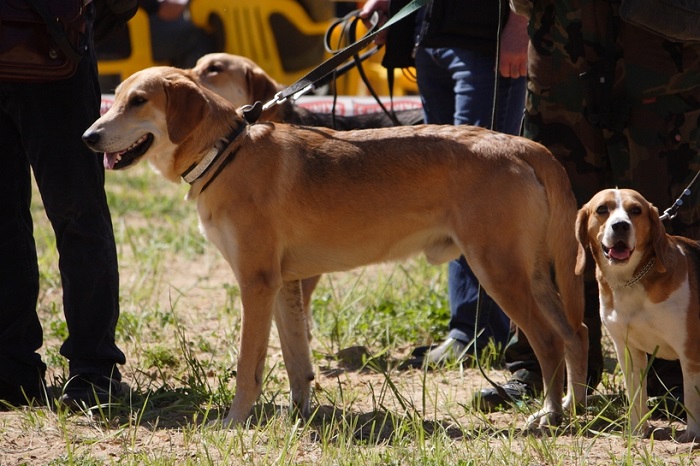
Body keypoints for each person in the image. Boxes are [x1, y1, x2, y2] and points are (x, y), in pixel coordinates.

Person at [475, 0, 700, 411]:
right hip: (561, 33)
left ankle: (674, 374)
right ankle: (544, 363)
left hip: (662, 39)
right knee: (551, 217)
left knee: (663, 209)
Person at [359, 0, 528, 367]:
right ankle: (468, 329)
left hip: (487, 41)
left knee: (479, 193)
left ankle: (480, 332)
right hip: (429, 35)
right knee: (452, 197)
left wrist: (521, 22)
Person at [0, 1, 127, 410]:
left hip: (55, 41)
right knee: (78, 217)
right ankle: (91, 372)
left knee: (69, 217)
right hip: (55, 38)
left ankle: (15, 370)